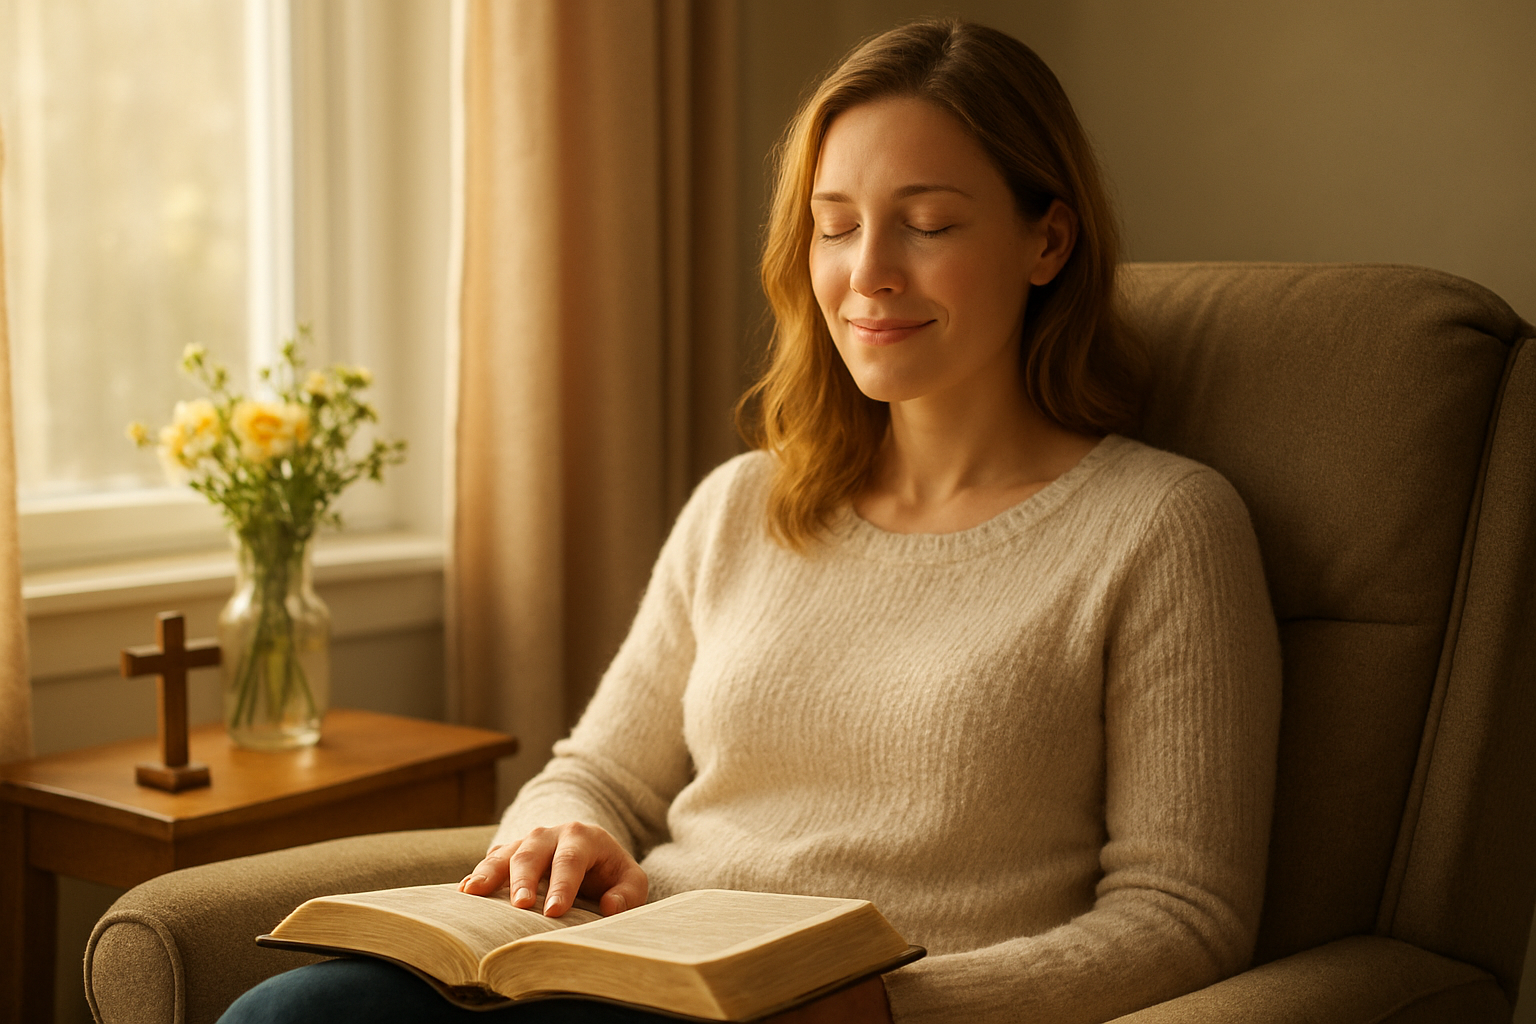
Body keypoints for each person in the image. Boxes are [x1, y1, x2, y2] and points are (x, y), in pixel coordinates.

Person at [219, 18, 1280, 1024]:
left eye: (927, 225)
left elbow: (1183, 918)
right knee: (289, 1013)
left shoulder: (1161, 527)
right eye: (836, 227)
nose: (868, 274)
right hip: (630, 973)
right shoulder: (741, 505)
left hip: (862, 1010)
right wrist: (559, 830)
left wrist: (884, 1007)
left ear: (1047, 240)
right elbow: (599, 770)